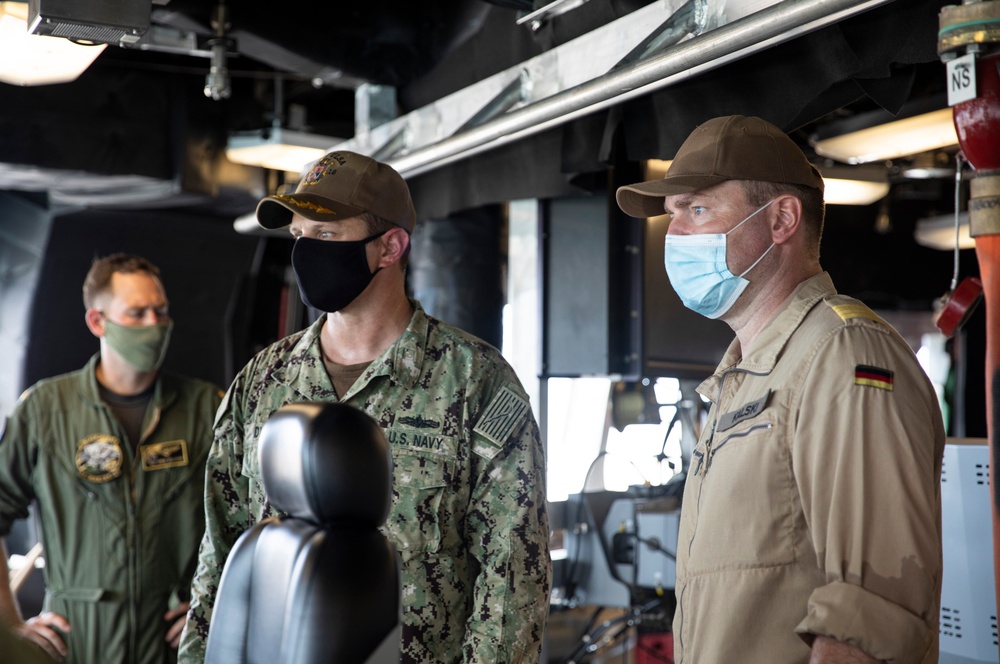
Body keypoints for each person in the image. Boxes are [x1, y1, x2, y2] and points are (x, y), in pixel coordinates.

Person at [178, 151, 551, 664]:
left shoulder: (475, 381)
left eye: (326, 236)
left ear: (390, 247)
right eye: (299, 237)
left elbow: (514, 575)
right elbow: (222, 552)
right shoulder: (263, 381)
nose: (306, 251)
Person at [616, 115, 944, 663]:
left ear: (781, 220)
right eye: (672, 216)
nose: (674, 236)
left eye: (696, 210)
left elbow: (869, 613)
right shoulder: (745, 376)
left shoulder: (843, 354)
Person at [0, 254, 223, 664]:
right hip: (78, 645)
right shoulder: (46, 410)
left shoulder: (207, 408)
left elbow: (248, 518)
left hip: (174, 647)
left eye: (161, 311)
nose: (154, 324)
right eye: (137, 313)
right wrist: (10, 625)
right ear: (98, 322)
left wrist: (212, 606)